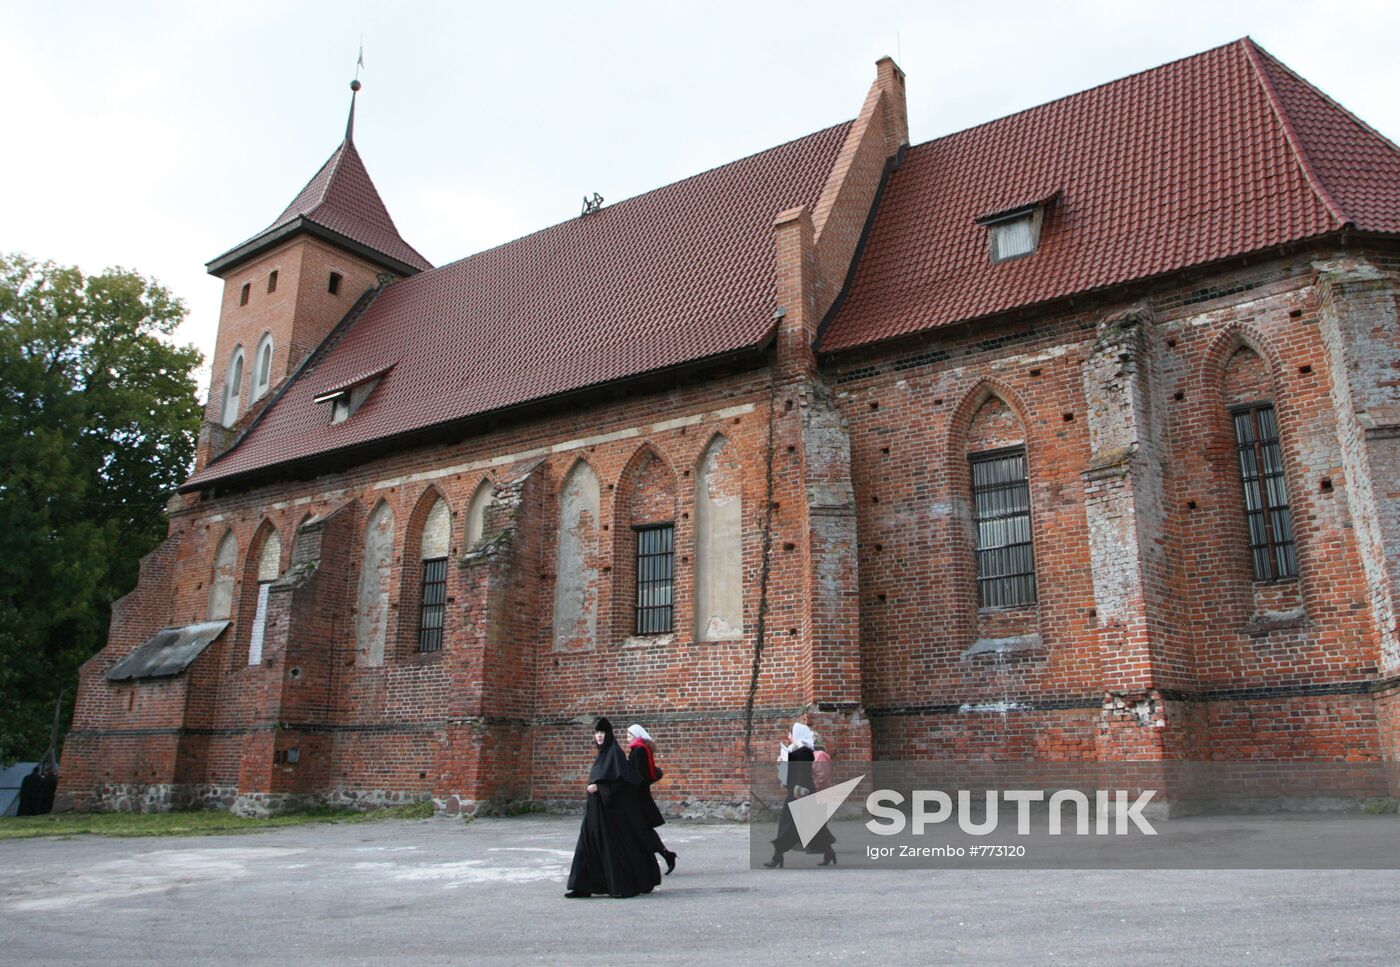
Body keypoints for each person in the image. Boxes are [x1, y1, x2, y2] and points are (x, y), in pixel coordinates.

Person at [566, 717, 662, 898]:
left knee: (611, 850)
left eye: (602, 733)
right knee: (586, 846)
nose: (599, 736)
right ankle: (582, 886)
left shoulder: (615, 754)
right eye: (597, 733)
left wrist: (599, 788)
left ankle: (620, 886)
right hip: (594, 811)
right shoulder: (602, 755)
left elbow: (623, 783)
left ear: (609, 735)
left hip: (607, 813)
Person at [764, 722, 837, 868]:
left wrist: (799, 792)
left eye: (791, 734)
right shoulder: (795, 750)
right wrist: (782, 764)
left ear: (797, 734)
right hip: (796, 791)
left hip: (801, 792)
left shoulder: (804, 751)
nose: (789, 737)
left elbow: (803, 773)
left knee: (791, 824)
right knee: (802, 824)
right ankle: (827, 852)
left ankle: (778, 856)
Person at [626, 723, 678, 874]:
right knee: (642, 829)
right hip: (639, 796)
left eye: (629, 736)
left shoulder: (639, 750)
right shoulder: (640, 749)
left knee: (642, 830)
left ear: (636, 736)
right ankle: (665, 855)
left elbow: (639, 775)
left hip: (638, 797)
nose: (627, 739)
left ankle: (661, 856)